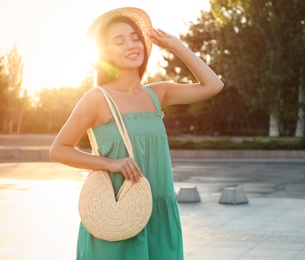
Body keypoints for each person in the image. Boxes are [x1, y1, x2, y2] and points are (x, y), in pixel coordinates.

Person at [49, 7, 224, 260]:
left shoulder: (157, 94)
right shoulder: (97, 98)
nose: (132, 45)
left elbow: (214, 85)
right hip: (116, 213)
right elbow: (58, 149)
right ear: (104, 53)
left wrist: (177, 47)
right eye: (119, 41)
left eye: (135, 37)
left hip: (157, 213)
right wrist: (110, 163)